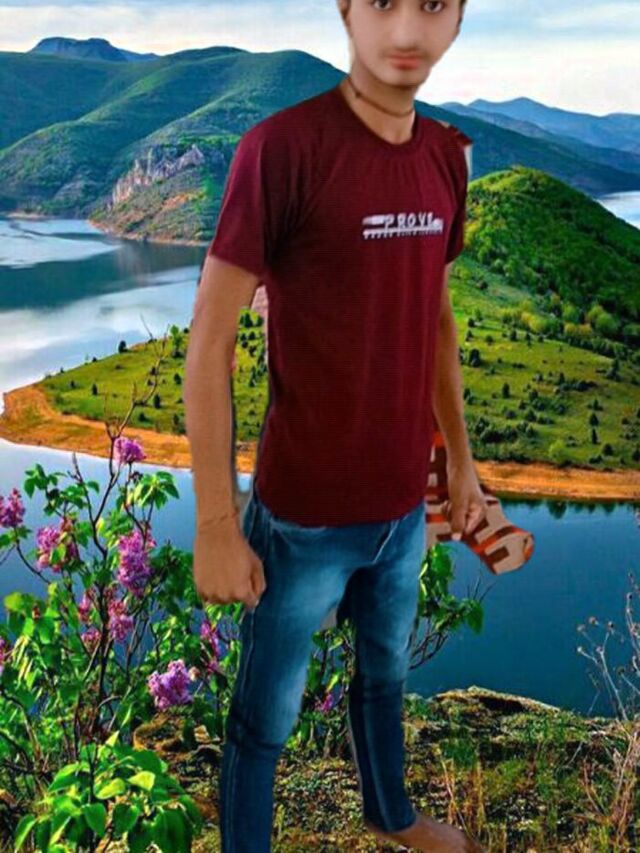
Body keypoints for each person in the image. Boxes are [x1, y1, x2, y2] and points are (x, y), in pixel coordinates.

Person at [184, 0, 488, 849]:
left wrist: (460, 464)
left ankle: (390, 815)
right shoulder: (282, 149)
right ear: (347, 9)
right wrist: (216, 522)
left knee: (384, 675)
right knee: (264, 719)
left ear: (459, 19)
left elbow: (435, 320)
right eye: (383, 2)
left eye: (432, 5)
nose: (407, 31)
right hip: (302, 518)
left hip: (401, 508)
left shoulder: (446, 156)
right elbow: (209, 342)